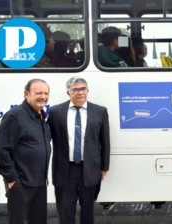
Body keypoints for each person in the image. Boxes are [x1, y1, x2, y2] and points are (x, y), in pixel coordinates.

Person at [47, 76, 110, 224]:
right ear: (68, 92)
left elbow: (105, 142)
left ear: (88, 91)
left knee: (88, 209)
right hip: (64, 169)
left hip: (89, 169)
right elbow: (45, 136)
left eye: (83, 89)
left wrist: (104, 167)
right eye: (76, 89)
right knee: (65, 210)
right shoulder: (56, 111)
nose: (80, 92)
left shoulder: (100, 111)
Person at [0, 79, 51, 224]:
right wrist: (12, 178)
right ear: (26, 94)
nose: (43, 96)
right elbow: (1, 150)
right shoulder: (15, 116)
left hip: (39, 182)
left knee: (38, 220)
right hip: (21, 183)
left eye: (46, 93)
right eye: (38, 93)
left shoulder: (41, 116)